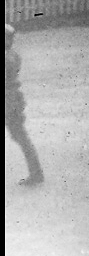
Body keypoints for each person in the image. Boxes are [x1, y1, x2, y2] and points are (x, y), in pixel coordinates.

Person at [5, 24, 44, 187]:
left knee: (20, 137)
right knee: (21, 137)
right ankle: (36, 173)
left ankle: (36, 173)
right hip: (14, 99)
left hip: (7, 100)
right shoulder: (14, 55)